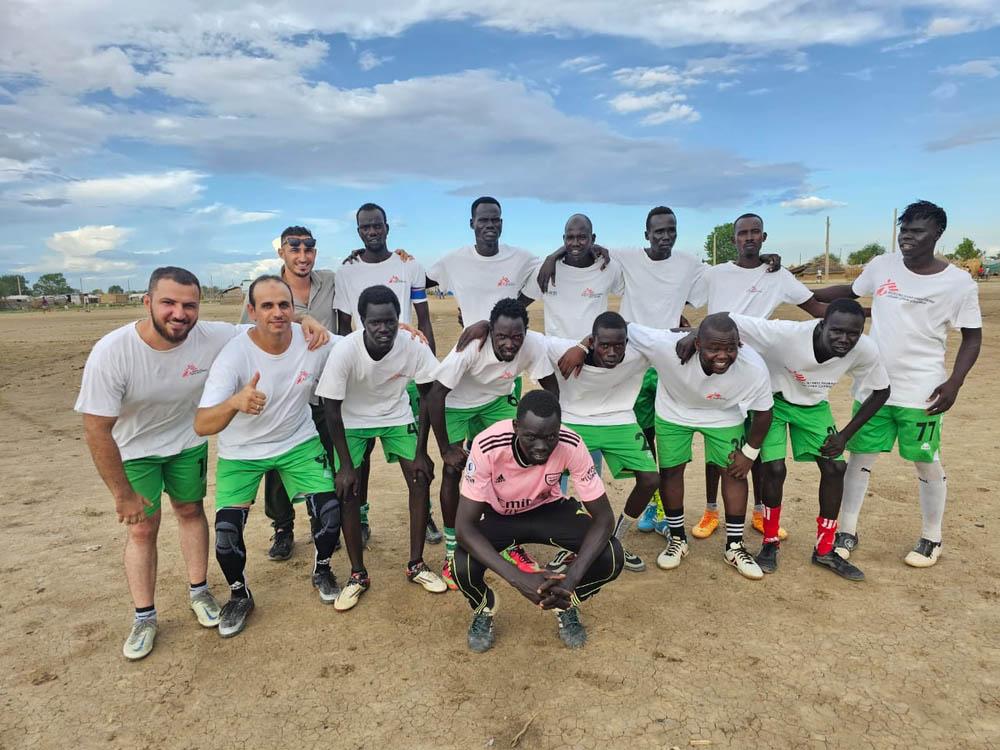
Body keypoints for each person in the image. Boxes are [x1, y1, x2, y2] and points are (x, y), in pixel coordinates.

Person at [76, 266, 329, 659]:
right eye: (168, 303)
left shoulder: (212, 334)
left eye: (188, 305)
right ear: (147, 303)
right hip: (136, 449)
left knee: (191, 512)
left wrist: (305, 318)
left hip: (186, 444)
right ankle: (144, 617)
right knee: (142, 531)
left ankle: (201, 593)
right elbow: (96, 428)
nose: (179, 313)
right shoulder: (113, 352)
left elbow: (268, 318)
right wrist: (121, 492)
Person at [812, 200, 982, 567]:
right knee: (859, 458)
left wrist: (954, 382)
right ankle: (847, 530)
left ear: (936, 235)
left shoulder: (958, 283)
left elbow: (972, 337)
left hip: (922, 392)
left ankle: (931, 537)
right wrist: (793, 291)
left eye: (917, 231)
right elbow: (850, 292)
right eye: (903, 230)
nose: (907, 237)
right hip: (873, 386)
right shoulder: (882, 265)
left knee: (926, 462)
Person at [677, 302, 890, 579]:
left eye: (854, 333)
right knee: (773, 469)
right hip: (773, 400)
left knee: (836, 467)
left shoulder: (865, 348)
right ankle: (769, 543)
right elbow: (725, 316)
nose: (845, 339)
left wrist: (844, 435)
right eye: (837, 331)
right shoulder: (786, 333)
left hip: (813, 406)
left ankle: (825, 549)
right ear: (822, 324)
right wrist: (692, 334)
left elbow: (881, 391)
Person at [194, 275, 341, 637]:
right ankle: (239, 594)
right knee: (226, 536)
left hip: (298, 442)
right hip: (242, 452)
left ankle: (322, 568)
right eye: (267, 306)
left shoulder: (314, 341)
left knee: (330, 513)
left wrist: (403, 332)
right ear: (251, 311)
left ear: (294, 309)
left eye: (284, 305)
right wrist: (234, 402)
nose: (277, 312)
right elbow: (201, 424)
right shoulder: (234, 355)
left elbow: (361, 344)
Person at [691, 213, 828, 542]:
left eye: (755, 233)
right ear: (734, 239)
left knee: (758, 446)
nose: (748, 238)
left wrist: (874, 310)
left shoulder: (777, 275)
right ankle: (711, 511)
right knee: (716, 445)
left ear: (764, 238)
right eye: (742, 233)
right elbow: (678, 300)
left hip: (757, 371)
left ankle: (759, 512)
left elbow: (818, 309)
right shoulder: (715, 274)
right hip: (717, 367)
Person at [453, 390, 624, 652]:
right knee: (461, 565)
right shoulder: (488, 444)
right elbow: (464, 528)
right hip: (499, 514)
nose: (541, 446)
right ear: (515, 427)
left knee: (611, 555)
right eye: (531, 437)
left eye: (550, 437)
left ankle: (566, 603)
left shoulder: (572, 444)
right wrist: (518, 578)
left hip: (548, 509)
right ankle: (484, 607)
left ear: (559, 429)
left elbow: (604, 519)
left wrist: (570, 580)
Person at [317, 285, 448, 611]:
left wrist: (421, 452)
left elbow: (430, 394)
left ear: (398, 319)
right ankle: (357, 574)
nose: (383, 329)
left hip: (396, 415)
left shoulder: (413, 345)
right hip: (353, 421)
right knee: (347, 489)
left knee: (421, 479)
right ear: (361, 321)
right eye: (375, 322)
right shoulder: (346, 350)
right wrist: (346, 466)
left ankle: (416, 564)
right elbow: (331, 408)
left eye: (389, 321)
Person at [625, 313, 773, 579]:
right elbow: (625, 327)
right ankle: (678, 539)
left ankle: (735, 546)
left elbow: (764, 413)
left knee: (734, 471)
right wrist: (581, 347)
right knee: (670, 472)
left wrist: (749, 455)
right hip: (674, 412)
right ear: (697, 344)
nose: (723, 355)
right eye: (713, 348)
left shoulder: (753, 366)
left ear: (739, 344)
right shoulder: (665, 346)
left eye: (730, 348)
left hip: (723, 413)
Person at [424, 298, 559, 589]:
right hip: (456, 403)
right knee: (452, 471)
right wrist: (446, 449)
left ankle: (509, 542)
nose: (509, 344)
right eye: (501, 337)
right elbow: (435, 395)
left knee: (511, 464)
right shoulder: (472, 347)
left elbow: (551, 386)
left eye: (516, 337)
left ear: (526, 331)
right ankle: (451, 551)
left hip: (496, 401)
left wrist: (552, 427)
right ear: (490, 333)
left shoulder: (532, 345)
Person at [334, 203, 442, 545]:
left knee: (414, 456)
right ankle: (360, 516)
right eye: (365, 227)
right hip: (362, 375)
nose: (372, 231)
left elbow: (423, 318)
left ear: (387, 227)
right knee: (358, 458)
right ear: (358, 232)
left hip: (403, 369)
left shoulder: (408, 264)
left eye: (377, 225)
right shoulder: (346, 271)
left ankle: (424, 517)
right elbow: (342, 324)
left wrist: (427, 359)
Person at [239, 225, 337, 562]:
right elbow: (249, 334)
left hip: (323, 389)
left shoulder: (331, 281)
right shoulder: (267, 290)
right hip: (281, 391)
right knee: (278, 465)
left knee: (322, 459)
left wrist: (400, 256)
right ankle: (282, 528)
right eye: (294, 249)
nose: (302, 255)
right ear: (281, 252)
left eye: (309, 248)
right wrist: (301, 316)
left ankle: (319, 521)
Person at [546, 312, 659, 573]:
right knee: (550, 477)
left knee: (651, 479)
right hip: (574, 419)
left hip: (619, 420)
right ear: (593, 341)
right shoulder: (565, 351)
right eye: (604, 345)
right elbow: (530, 339)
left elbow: (671, 336)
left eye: (618, 345)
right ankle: (571, 542)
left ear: (627, 343)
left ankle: (614, 539)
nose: (612, 352)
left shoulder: (637, 354)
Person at [426, 197, 540, 331]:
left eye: (495, 220)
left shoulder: (521, 258)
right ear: (472, 223)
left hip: (509, 344)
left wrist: (516, 307)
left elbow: (547, 272)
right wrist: (401, 259)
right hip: (471, 344)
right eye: (483, 220)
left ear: (501, 223)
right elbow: (417, 281)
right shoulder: (453, 260)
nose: (490, 224)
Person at [522, 214, 623, 340]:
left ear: (593, 238)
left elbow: (628, 296)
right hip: (556, 354)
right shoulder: (546, 269)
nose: (575, 243)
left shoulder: (608, 267)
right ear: (564, 239)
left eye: (582, 237)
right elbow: (521, 304)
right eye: (570, 237)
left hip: (593, 352)